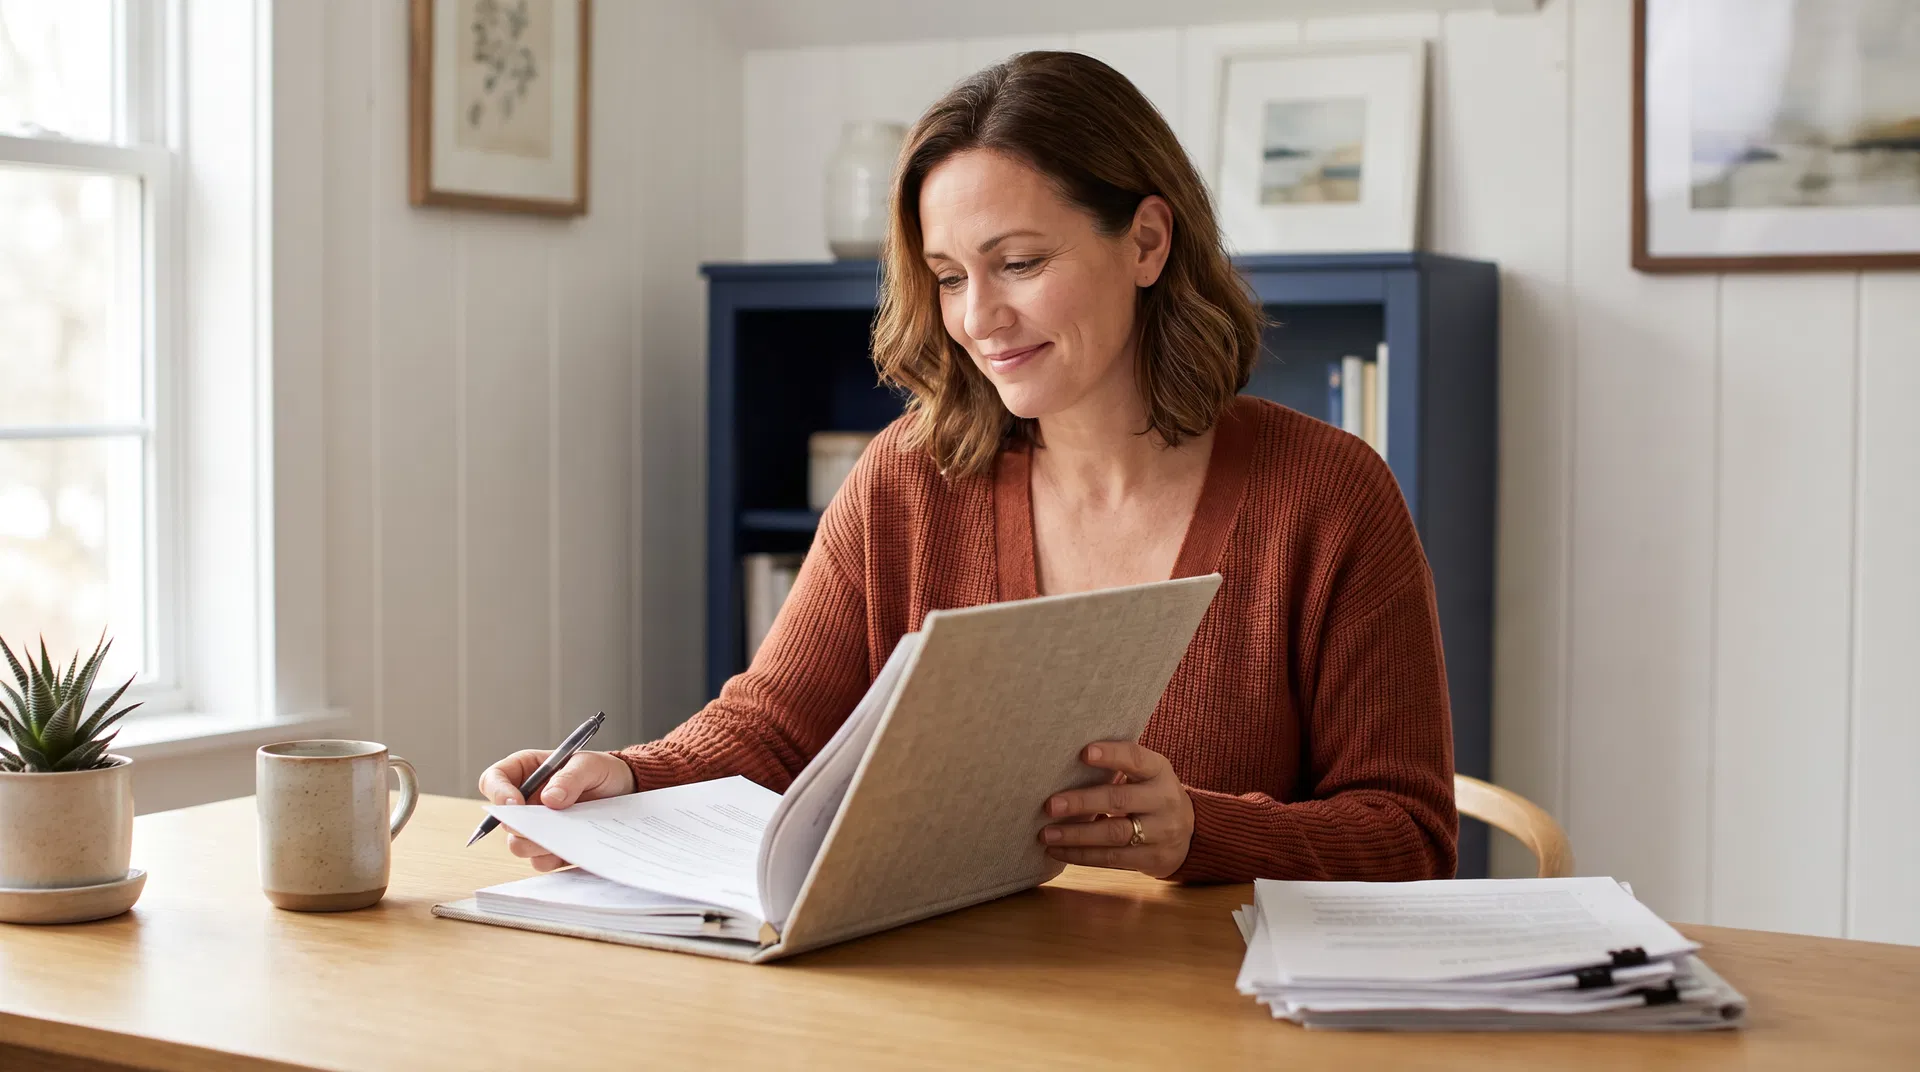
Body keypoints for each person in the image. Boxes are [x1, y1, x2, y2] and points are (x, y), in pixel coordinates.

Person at [480, 51, 1457, 883]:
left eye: (1021, 263)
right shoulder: (908, 478)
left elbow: (1411, 835)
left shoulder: (1326, 494)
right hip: (953, 1009)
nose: (978, 319)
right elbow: (774, 730)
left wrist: (1202, 831)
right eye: (949, 276)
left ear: (1148, 241)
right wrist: (626, 779)